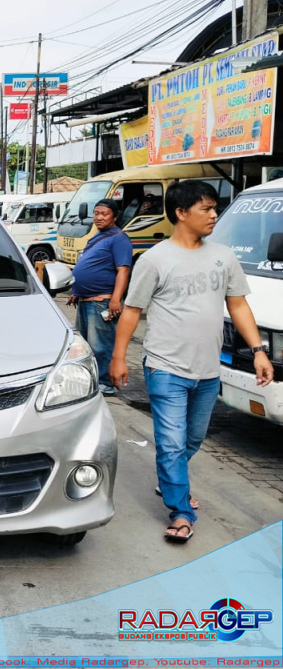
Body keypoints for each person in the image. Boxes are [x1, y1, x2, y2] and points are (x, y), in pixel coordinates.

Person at [109, 181, 273, 544]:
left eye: (215, 208)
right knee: (170, 442)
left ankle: (172, 479)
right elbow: (132, 311)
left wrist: (258, 351)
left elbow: (239, 305)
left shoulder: (223, 257)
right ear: (181, 213)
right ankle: (181, 511)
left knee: (192, 439)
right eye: (207, 209)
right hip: (165, 367)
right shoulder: (154, 259)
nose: (214, 215)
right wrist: (119, 357)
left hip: (208, 370)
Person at [67, 199, 133, 395]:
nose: (99, 217)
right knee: (86, 346)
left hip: (102, 302)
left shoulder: (119, 238)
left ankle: (105, 384)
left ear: (115, 216)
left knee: (101, 346)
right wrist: (77, 292)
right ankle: (92, 381)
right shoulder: (98, 237)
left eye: (104, 213)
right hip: (86, 301)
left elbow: (123, 270)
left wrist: (115, 299)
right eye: (96, 213)